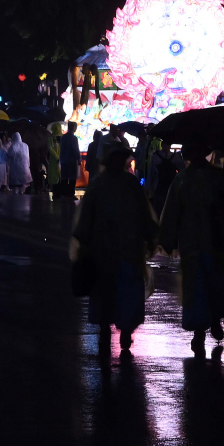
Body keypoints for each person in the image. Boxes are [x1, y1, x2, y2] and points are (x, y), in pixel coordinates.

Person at [159, 139, 224, 354]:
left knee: (195, 287)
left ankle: (199, 331)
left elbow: (171, 213)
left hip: (191, 244)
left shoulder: (182, 180)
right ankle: (215, 320)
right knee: (216, 283)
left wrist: (167, 241)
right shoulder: (220, 178)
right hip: (218, 242)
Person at [70, 144, 158, 356]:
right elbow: (145, 215)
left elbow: (85, 220)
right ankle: (120, 330)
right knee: (120, 291)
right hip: (121, 250)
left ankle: (112, 330)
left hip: (108, 250)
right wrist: (151, 236)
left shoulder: (102, 185)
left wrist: (83, 242)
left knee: (106, 292)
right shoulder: (127, 184)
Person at [148, 141, 184, 214]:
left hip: (158, 184)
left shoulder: (155, 156)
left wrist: (149, 186)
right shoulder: (175, 156)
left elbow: (151, 172)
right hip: (171, 184)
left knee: (158, 207)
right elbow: (182, 169)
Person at [59, 122, 82, 199]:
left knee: (64, 178)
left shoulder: (63, 137)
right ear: (74, 128)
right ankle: (71, 194)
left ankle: (64, 194)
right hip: (72, 161)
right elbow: (75, 149)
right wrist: (79, 159)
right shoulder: (74, 138)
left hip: (64, 160)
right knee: (72, 178)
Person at [47, 123, 63, 198]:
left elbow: (50, 149)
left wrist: (56, 157)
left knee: (54, 176)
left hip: (54, 160)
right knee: (60, 176)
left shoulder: (50, 138)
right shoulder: (63, 138)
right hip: (62, 160)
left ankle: (55, 192)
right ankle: (60, 192)